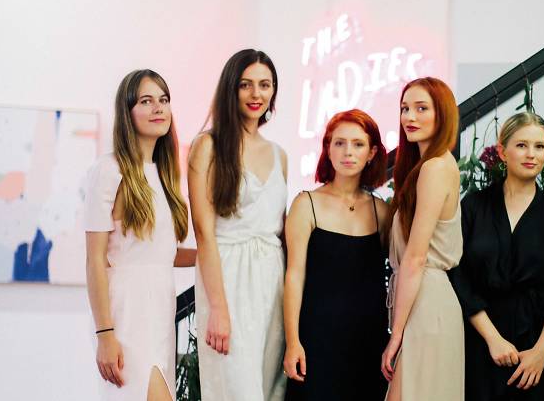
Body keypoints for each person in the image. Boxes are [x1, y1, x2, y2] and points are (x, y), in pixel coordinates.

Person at [449, 111, 544, 400]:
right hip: (484, 342)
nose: (531, 154)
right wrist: (493, 339)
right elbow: (459, 275)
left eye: (540, 146)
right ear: (502, 151)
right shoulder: (473, 207)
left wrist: (540, 352)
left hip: (542, 349)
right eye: (521, 145)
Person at [85, 69, 195, 401]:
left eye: (163, 100)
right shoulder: (109, 169)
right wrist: (105, 334)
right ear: (127, 112)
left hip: (161, 306)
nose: (158, 108)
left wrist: (214, 256)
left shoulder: (166, 174)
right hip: (126, 309)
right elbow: (94, 261)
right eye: (146, 101)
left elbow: (163, 254)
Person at [189, 49, 288, 401]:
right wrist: (218, 308)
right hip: (228, 277)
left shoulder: (280, 155)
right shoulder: (208, 146)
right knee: (237, 389)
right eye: (246, 85)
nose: (256, 94)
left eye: (265, 85)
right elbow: (203, 232)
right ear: (231, 89)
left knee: (269, 390)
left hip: (271, 279)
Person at [283, 109, 390, 401]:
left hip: (369, 340)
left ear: (372, 153)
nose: (347, 152)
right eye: (339, 142)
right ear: (328, 148)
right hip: (318, 338)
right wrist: (293, 342)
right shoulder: (306, 204)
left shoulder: (382, 212)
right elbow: (293, 276)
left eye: (358, 144)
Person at [381, 77, 464, 401]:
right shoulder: (427, 167)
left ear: (441, 114)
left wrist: (396, 333)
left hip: (427, 304)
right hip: (423, 299)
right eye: (404, 109)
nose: (409, 117)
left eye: (421, 108)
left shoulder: (435, 168)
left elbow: (415, 258)